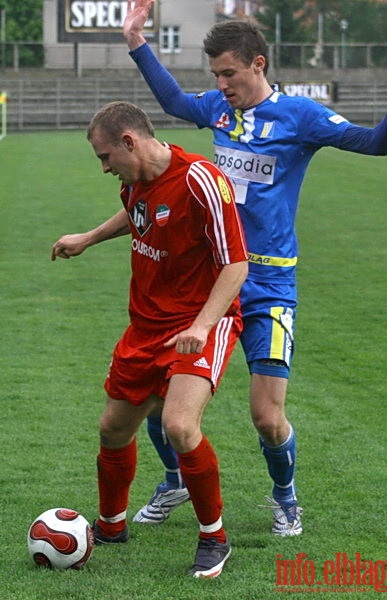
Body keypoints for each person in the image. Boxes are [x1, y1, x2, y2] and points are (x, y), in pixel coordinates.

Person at [123, 0, 387, 537]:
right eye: (216, 74)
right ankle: (173, 479)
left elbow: (374, 145)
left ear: (259, 64)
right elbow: (173, 100)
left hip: (268, 284)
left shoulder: (300, 116)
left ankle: (285, 496)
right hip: (212, 281)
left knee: (267, 417)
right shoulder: (220, 111)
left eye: (230, 73)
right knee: (156, 395)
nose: (221, 84)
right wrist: (136, 41)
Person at [51, 101, 248, 578]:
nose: (103, 168)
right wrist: (89, 237)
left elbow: (236, 264)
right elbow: (136, 214)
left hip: (200, 322)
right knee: (113, 429)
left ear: (128, 142)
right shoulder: (135, 180)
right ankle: (111, 525)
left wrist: (202, 325)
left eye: (104, 156)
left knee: (180, 427)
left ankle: (214, 538)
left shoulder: (201, 180)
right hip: (146, 326)